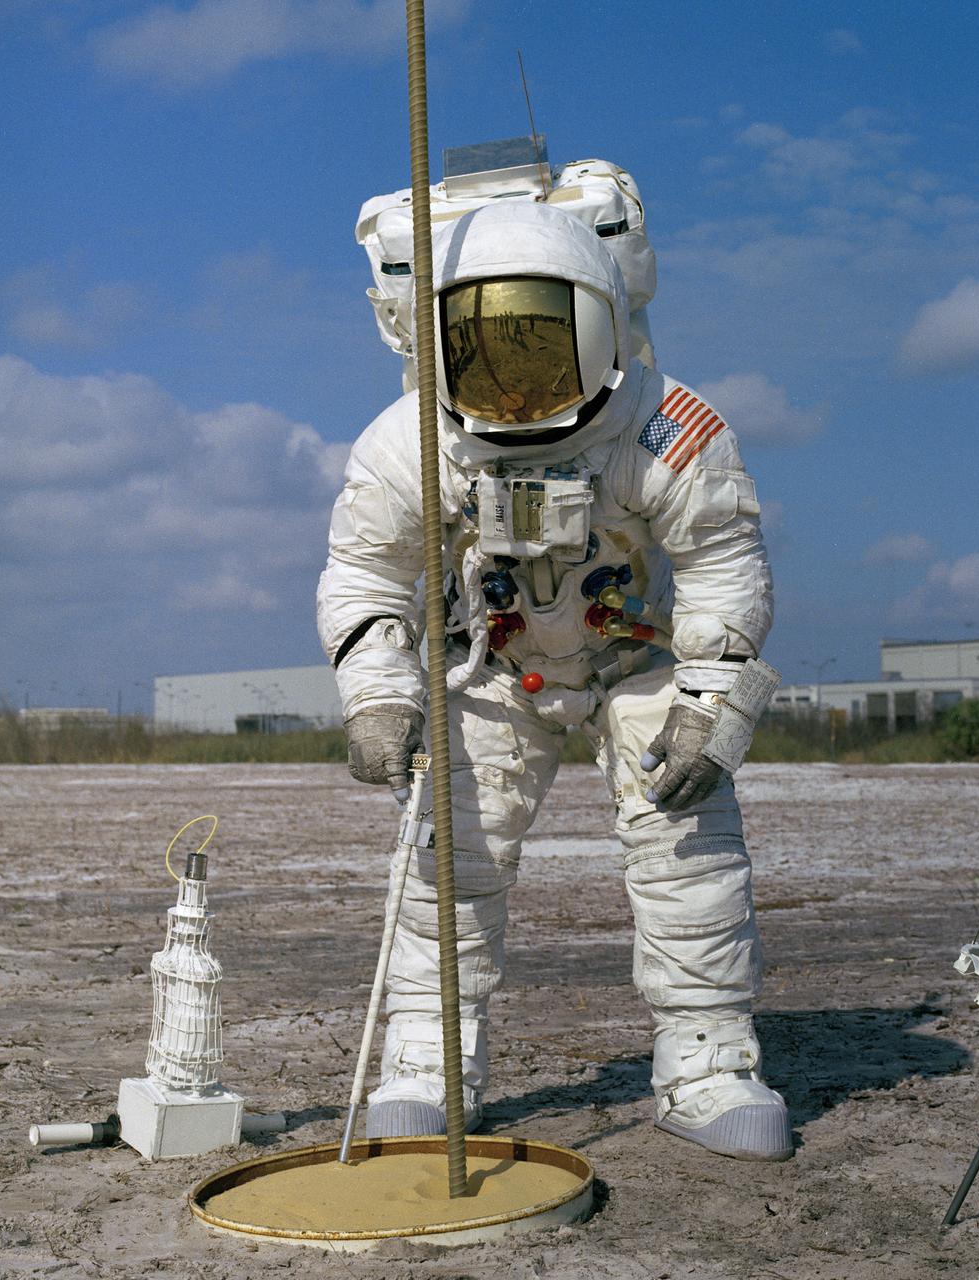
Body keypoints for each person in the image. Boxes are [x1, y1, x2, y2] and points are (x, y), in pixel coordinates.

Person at [316, 200, 789, 1160]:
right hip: (495, 663)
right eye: (487, 348)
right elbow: (365, 573)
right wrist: (376, 694)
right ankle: (429, 1059)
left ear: (601, 322)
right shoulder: (412, 441)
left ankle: (707, 1059)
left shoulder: (664, 426)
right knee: (449, 853)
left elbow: (724, 562)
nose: (516, 375)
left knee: (686, 841)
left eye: (537, 343)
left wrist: (709, 704)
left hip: (636, 659)